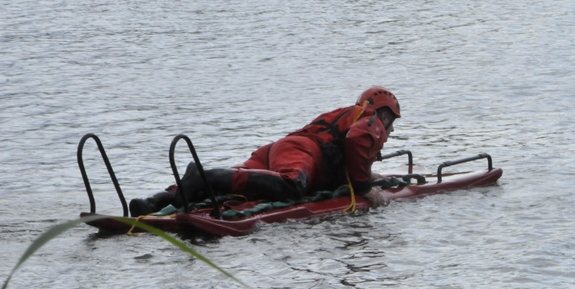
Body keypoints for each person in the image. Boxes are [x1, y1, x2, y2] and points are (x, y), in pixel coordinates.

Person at [129, 87, 401, 216]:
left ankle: (156, 201)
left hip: (278, 151)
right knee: (291, 185)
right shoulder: (369, 119)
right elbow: (356, 140)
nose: (387, 135)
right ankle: (203, 176)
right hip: (302, 153)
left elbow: (346, 155)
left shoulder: (350, 115)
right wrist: (364, 187)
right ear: (385, 115)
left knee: (242, 182)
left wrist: (369, 174)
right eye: (390, 127)